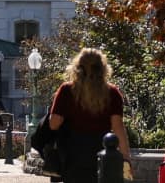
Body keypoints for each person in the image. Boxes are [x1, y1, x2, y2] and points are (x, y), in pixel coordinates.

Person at [47, 48, 129, 183]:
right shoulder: (113, 93)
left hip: (72, 153)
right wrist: (126, 157)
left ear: (77, 68)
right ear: (102, 69)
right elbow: (118, 126)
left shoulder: (66, 91)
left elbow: (54, 124)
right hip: (103, 151)